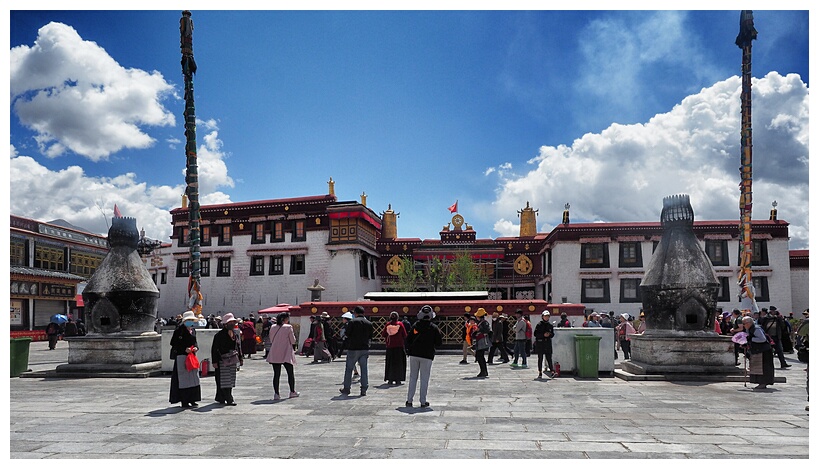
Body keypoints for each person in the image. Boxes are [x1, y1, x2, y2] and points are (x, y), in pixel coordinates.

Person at [405, 305, 443, 408]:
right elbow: (439, 342)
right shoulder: (434, 328)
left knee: (413, 377)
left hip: (414, 354)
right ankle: (423, 401)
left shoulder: (415, 326)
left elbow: (408, 339)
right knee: (424, 378)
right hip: (427, 355)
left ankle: (409, 400)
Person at [169, 311, 201, 408]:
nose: (190, 322)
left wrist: (195, 348)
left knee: (194, 378)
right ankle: (184, 400)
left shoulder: (193, 330)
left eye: (192, 320)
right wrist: (184, 349)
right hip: (182, 357)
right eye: (189, 320)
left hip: (191, 356)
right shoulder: (179, 330)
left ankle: (193, 399)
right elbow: (173, 343)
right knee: (184, 379)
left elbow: (195, 342)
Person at [339, 306, 373, 397]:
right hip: (364, 348)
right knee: (364, 369)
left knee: (349, 369)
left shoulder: (352, 322)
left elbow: (347, 334)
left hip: (353, 348)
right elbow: (370, 336)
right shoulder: (369, 323)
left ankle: (347, 388)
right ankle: (364, 389)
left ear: (356, 313)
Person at [266, 312, 299, 400]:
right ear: (285, 319)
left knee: (276, 374)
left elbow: (271, 338)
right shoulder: (288, 327)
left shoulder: (273, 327)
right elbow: (293, 340)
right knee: (290, 373)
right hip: (286, 352)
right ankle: (292, 391)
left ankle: (276, 394)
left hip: (275, 351)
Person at [211, 313, 243, 406]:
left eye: (233, 322)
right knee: (224, 380)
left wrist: (240, 358)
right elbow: (214, 348)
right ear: (225, 324)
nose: (232, 324)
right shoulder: (219, 335)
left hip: (232, 359)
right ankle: (229, 398)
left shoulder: (235, 334)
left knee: (231, 379)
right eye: (230, 322)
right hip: (222, 360)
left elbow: (238, 346)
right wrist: (215, 361)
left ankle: (222, 397)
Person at [742, 315, 775, 390]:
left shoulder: (756, 329)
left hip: (764, 351)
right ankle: (759, 382)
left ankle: (763, 383)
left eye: (744, 323)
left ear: (749, 323)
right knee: (757, 367)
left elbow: (762, 339)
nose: (743, 325)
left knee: (763, 368)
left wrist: (751, 339)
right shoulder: (749, 329)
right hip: (757, 351)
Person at [382, 311, 407, 385]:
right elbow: (405, 335)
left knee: (390, 363)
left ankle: (390, 378)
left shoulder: (388, 325)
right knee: (399, 363)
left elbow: (383, 334)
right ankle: (398, 379)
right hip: (399, 346)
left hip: (390, 346)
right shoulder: (400, 324)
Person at [534, 310, 556, 378]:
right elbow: (535, 334)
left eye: (547, 316)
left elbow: (552, 334)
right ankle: (540, 372)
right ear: (542, 317)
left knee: (549, 357)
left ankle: (552, 371)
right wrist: (543, 335)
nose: (546, 317)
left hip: (547, 343)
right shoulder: (539, 325)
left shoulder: (550, 325)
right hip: (540, 343)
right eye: (545, 316)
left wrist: (549, 334)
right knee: (540, 358)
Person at [472, 308, 492, 378]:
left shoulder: (484, 322)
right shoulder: (480, 322)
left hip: (482, 341)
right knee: (479, 356)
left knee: (480, 356)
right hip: (479, 340)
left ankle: (484, 371)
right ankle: (483, 371)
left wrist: (479, 330)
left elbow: (487, 330)